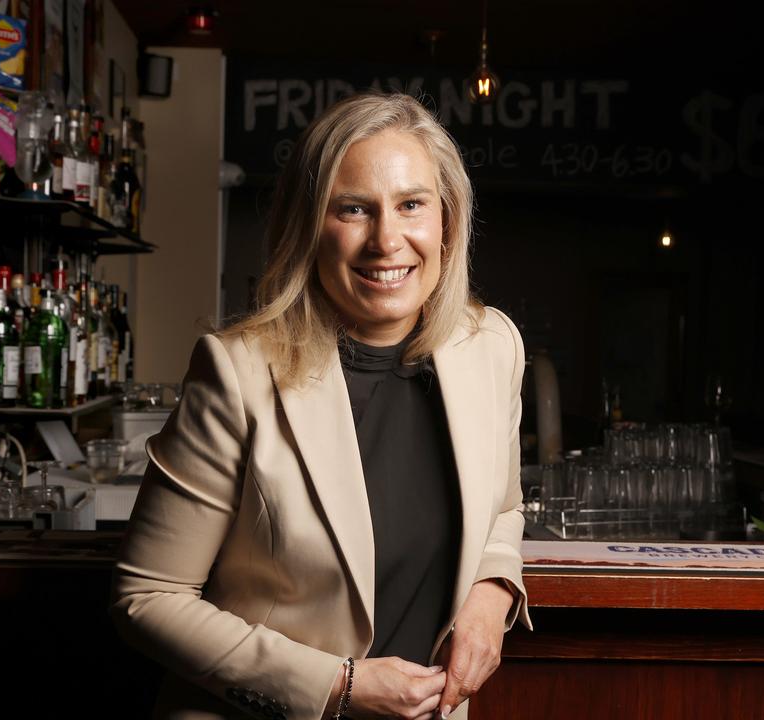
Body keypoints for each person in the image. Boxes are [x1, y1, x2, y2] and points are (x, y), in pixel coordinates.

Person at [111, 92, 530, 720]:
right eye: (353, 209)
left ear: (447, 218)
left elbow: (502, 508)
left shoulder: (491, 346)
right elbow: (147, 595)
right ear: (309, 224)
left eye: (411, 205)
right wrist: (336, 685)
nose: (387, 241)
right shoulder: (238, 371)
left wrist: (493, 594)